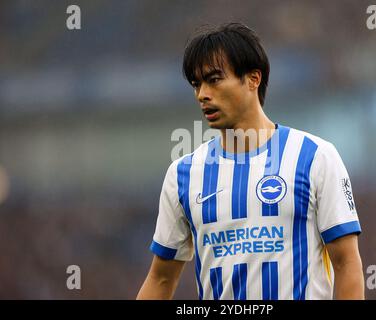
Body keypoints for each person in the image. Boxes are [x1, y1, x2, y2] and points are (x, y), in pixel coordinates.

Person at [137, 22, 364, 300]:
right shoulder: (183, 174)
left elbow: (347, 263)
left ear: (253, 79)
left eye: (214, 79)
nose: (202, 94)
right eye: (196, 84)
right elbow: (160, 278)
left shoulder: (314, 157)